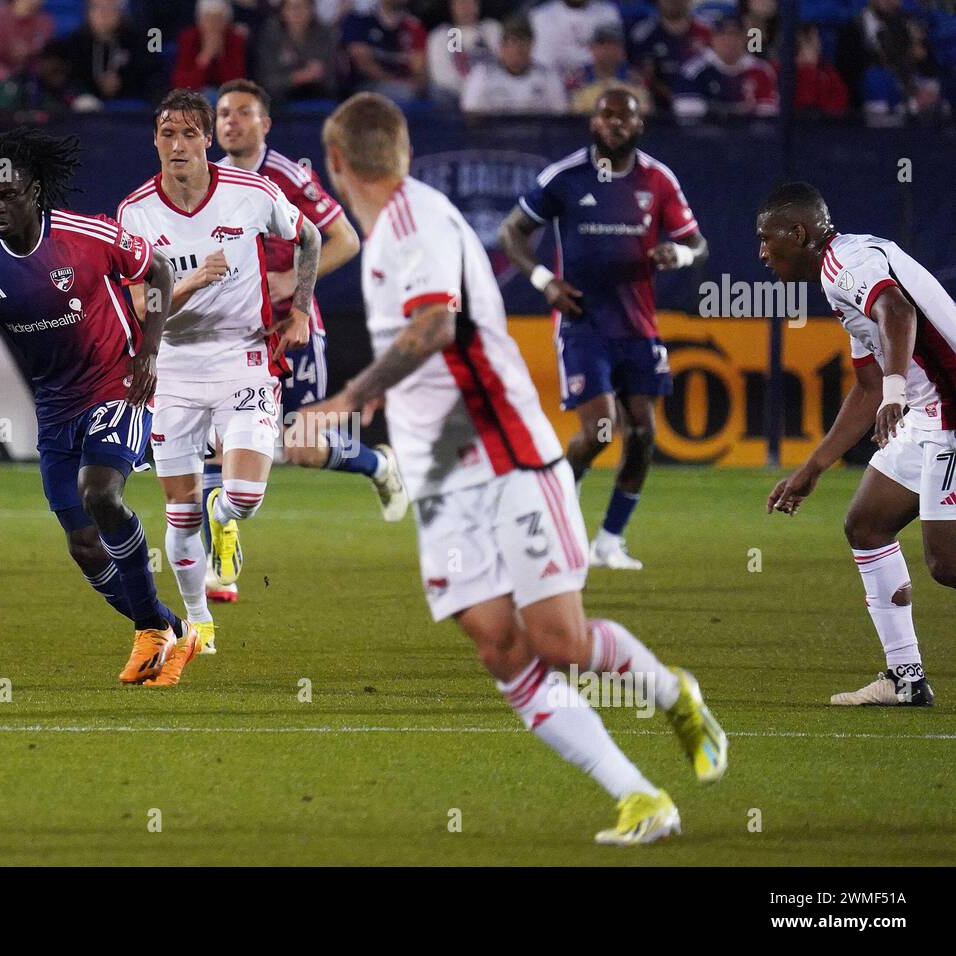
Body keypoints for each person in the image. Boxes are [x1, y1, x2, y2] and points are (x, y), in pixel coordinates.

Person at [297, 92, 727, 845]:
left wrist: (348, 399)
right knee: (501, 646)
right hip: (441, 479)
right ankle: (639, 797)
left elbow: (436, 324)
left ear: (337, 163)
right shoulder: (388, 235)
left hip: (508, 457)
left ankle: (671, 691)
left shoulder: (414, 223)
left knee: (558, 640)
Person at [0, 129, 198, 687]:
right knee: (82, 545)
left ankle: (150, 631)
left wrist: (148, 352)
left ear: (35, 190)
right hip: (55, 407)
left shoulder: (89, 235)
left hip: (117, 385)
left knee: (100, 491)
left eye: (7, 195)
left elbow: (161, 272)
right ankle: (175, 631)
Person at [116, 89, 322, 653]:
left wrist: (300, 307)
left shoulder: (251, 193)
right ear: (155, 141)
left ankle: (224, 509)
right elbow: (140, 309)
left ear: (208, 139)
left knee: (246, 496)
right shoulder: (136, 212)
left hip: (244, 356)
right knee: (179, 513)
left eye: (188, 134)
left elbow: (310, 236)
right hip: (175, 366)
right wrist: (191, 282)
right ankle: (199, 619)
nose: (177, 145)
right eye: (166, 134)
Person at [211, 78, 406, 601]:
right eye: (224, 112)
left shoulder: (287, 176)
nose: (230, 121)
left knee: (299, 444)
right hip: (232, 334)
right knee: (215, 440)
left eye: (243, 112)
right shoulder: (207, 183)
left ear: (264, 124)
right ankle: (222, 554)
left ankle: (378, 464)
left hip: (291, 329)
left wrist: (290, 283)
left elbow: (346, 238)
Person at [498, 89, 708, 569]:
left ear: (639, 125)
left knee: (643, 435)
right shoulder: (565, 177)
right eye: (606, 115)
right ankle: (549, 515)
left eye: (625, 117)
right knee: (599, 430)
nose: (615, 123)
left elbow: (698, 244)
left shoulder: (658, 180)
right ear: (593, 123)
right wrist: (543, 280)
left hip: (638, 326)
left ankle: (609, 541)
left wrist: (680, 254)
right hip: (582, 323)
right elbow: (512, 231)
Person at [762, 181, 951, 707]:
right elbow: (868, 387)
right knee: (866, 524)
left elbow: (897, 311)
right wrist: (814, 467)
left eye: (766, 237)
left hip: (952, 410)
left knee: (948, 563)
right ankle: (906, 679)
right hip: (928, 412)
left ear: (797, 233)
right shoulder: (839, 276)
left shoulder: (846, 264)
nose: (761, 251)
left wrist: (895, 392)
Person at [47, 0, 158, 105]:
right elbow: (65, 81)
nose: (103, 14)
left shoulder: (137, 42)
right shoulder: (72, 45)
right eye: (97, 8)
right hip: (84, 113)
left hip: (131, 112)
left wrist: (122, 83)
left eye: (109, 8)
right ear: (88, 12)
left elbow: (149, 76)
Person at [460, 14, 565, 118]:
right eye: (513, 41)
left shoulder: (548, 78)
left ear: (532, 45)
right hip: (494, 133)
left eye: (524, 41)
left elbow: (560, 119)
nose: (518, 49)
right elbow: (470, 118)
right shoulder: (483, 75)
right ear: (502, 46)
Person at [673, 15, 777, 120]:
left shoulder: (761, 70)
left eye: (736, 34)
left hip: (750, 134)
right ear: (712, 38)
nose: (729, 40)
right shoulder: (693, 70)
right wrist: (735, 110)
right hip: (705, 133)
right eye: (722, 34)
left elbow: (768, 114)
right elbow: (686, 112)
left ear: (745, 38)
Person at [627, 0, 711, 114]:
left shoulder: (707, 31)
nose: (673, 2)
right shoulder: (643, 35)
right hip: (658, 112)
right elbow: (640, 76)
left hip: (704, 107)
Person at [254, 0, 342, 103]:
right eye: (293, 8)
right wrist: (297, 77)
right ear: (282, 11)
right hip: (280, 95)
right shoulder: (270, 34)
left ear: (312, 10)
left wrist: (316, 72)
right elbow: (266, 78)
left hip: (319, 90)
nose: (298, 12)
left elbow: (330, 72)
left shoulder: (325, 33)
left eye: (304, 7)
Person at [341, 0, 427, 104]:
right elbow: (362, 62)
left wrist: (419, 84)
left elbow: (418, 68)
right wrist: (393, 81)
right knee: (403, 92)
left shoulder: (414, 25)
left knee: (437, 94)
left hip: (405, 87)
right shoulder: (359, 19)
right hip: (364, 86)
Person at [425, 0, 501, 104]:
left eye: (470, 3)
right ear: (452, 7)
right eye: (461, 3)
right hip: (457, 95)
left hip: (494, 90)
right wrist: (473, 91)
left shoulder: (491, 29)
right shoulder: (443, 35)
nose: (466, 7)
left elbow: (504, 62)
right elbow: (443, 77)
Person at [568, 22, 652, 116]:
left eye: (613, 44)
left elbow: (643, 116)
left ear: (622, 50)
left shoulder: (636, 80)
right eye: (602, 44)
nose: (607, 49)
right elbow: (572, 117)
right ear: (591, 48)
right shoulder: (577, 79)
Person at [528, 0, 620, 79]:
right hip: (553, 87)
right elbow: (543, 64)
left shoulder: (607, 12)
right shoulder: (539, 17)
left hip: (595, 85)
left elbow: (612, 58)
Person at [171, 0, 248, 94]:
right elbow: (182, 85)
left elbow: (236, 85)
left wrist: (221, 56)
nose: (213, 25)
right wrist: (205, 57)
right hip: (194, 98)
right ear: (200, 21)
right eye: (208, 19)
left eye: (218, 20)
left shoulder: (234, 40)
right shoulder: (189, 38)